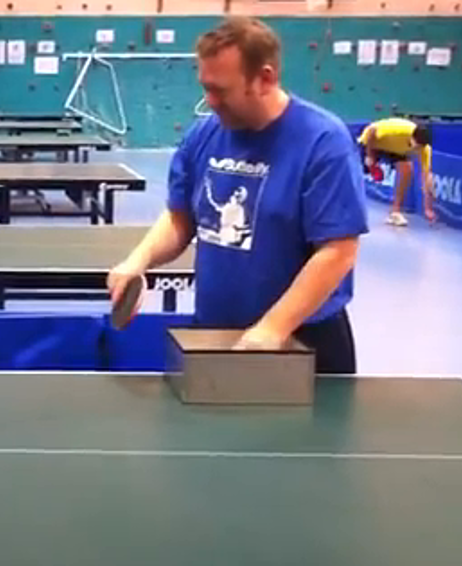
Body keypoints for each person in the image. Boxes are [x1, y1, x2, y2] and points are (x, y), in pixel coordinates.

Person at [107, 16, 369, 374]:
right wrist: (138, 260)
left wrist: (274, 328)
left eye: (221, 90)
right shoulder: (203, 135)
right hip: (214, 332)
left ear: (265, 78)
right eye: (205, 87)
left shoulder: (324, 142)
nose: (210, 101)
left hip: (303, 340)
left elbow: (338, 251)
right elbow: (180, 218)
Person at [357, 117, 436, 226]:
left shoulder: (425, 150)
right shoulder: (399, 130)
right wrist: (370, 156)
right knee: (354, 171)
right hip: (372, 142)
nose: (417, 149)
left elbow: (426, 177)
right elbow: (372, 130)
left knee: (407, 168)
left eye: (420, 147)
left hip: (396, 150)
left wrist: (428, 208)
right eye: (417, 145)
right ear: (412, 137)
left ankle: (395, 212)